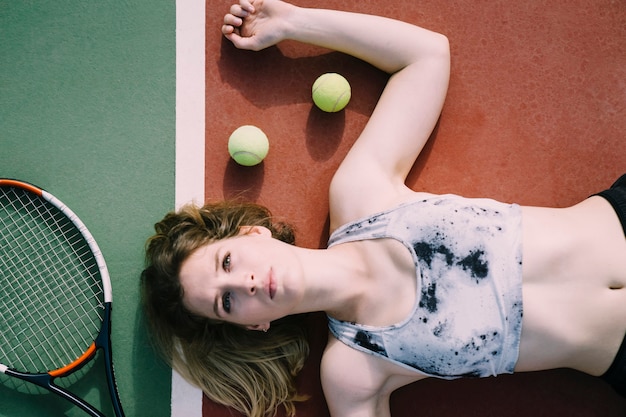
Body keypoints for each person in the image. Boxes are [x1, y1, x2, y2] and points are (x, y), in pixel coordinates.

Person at [140, 0, 626, 416]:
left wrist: (293, 22)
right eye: (227, 302)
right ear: (252, 325)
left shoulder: (361, 197)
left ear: (251, 235)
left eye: (225, 263)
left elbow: (426, 56)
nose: (241, 283)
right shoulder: (353, 372)